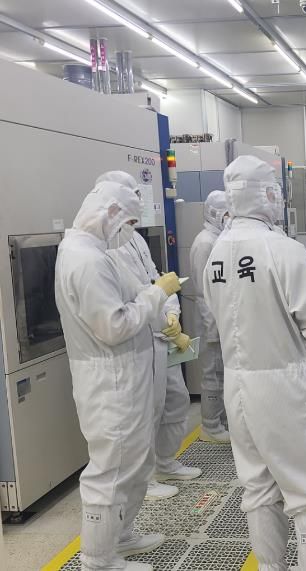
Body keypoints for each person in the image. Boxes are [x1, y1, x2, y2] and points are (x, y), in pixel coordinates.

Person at [204, 155, 306, 571]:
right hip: (285, 386)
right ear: (266, 194)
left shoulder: (216, 252)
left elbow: (217, 313)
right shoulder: (283, 249)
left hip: (238, 388)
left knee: (259, 487)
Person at [55, 181, 181, 571]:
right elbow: (113, 326)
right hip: (109, 382)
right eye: (127, 221)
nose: (128, 231)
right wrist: (156, 294)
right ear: (110, 213)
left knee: (132, 463)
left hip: (125, 374)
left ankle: (121, 535)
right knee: (110, 472)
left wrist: (155, 297)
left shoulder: (94, 252)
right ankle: (98, 560)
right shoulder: (86, 259)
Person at [98, 171, 202, 501]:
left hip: (161, 338)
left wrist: (172, 313)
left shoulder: (136, 239)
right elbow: (126, 305)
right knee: (145, 413)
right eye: (133, 197)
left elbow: (157, 281)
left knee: (175, 401)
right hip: (137, 343)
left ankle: (165, 462)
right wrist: (160, 309)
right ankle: (144, 479)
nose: (138, 204)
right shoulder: (106, 248)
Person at [191, 190, 231, 443]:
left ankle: (222, 420)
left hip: (220, 317)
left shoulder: (219, 238)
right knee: (212, 375)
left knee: (222, 374)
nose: (229, 218)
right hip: (210, 319)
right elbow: (202, 290)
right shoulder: (205, 242)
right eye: (226, 213)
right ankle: (210, 426)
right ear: (214, 213)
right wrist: (213, 328)